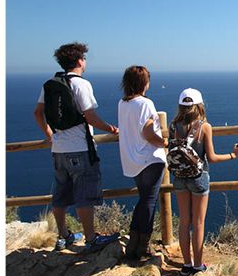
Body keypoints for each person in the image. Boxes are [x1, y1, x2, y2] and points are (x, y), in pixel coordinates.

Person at [32, 42, 120, 253]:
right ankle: (91, 239)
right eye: (85, 58)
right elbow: (90, 117)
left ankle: (63, 236)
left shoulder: (49, 84)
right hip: (80, 149)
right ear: (80, 61)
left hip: (58, 150)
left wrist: (49, 135)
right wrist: (111, 128)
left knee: (60, 194)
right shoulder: (81, 84)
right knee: (84, 194)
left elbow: (37, 113)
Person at [169, 88, 238, 276]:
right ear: (200, 105)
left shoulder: (173, 126)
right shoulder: (204, 127)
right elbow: (211, 157)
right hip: (199, 178)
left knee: (184, 222)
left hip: (178, 177)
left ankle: (186, 265)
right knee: (199, 222)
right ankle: (198, 265)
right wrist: (233, 155)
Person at [117, 65, 167, 260]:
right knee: (148, 201)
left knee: (143, 199)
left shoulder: (122, 103)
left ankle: (133, 245)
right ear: (144, 83)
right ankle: (142, 247)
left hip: (132, 160)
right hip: (150, 159)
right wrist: (163, 142)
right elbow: (148, 133)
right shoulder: (146, 104)